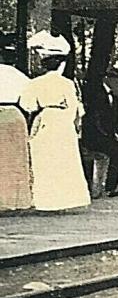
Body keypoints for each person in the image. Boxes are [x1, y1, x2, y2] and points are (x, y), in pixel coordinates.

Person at [19, 34, 90, 211]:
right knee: (64, 160)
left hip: (45, 119)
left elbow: (27, 105)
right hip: (63, 121)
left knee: (43, 159)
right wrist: (75, 124)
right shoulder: (67, 84)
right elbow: (74, 107)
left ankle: (44, 200)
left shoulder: (34, 83)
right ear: (61, 64)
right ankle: (66, 200)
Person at [82, 75, 118, 196]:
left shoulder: (113, 96)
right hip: (96, 136)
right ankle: (110, 187)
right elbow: (96, 121)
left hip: (111, 135)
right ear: (109, 79)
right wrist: (113, 136)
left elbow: (116, 120)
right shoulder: (97, 94)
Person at [0, 34, 33, 211]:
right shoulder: (15, 74)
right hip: (13, 114)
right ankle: (14, 200)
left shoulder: (14, 73)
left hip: (10, 112)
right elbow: (29, 98)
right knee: (15, 159)